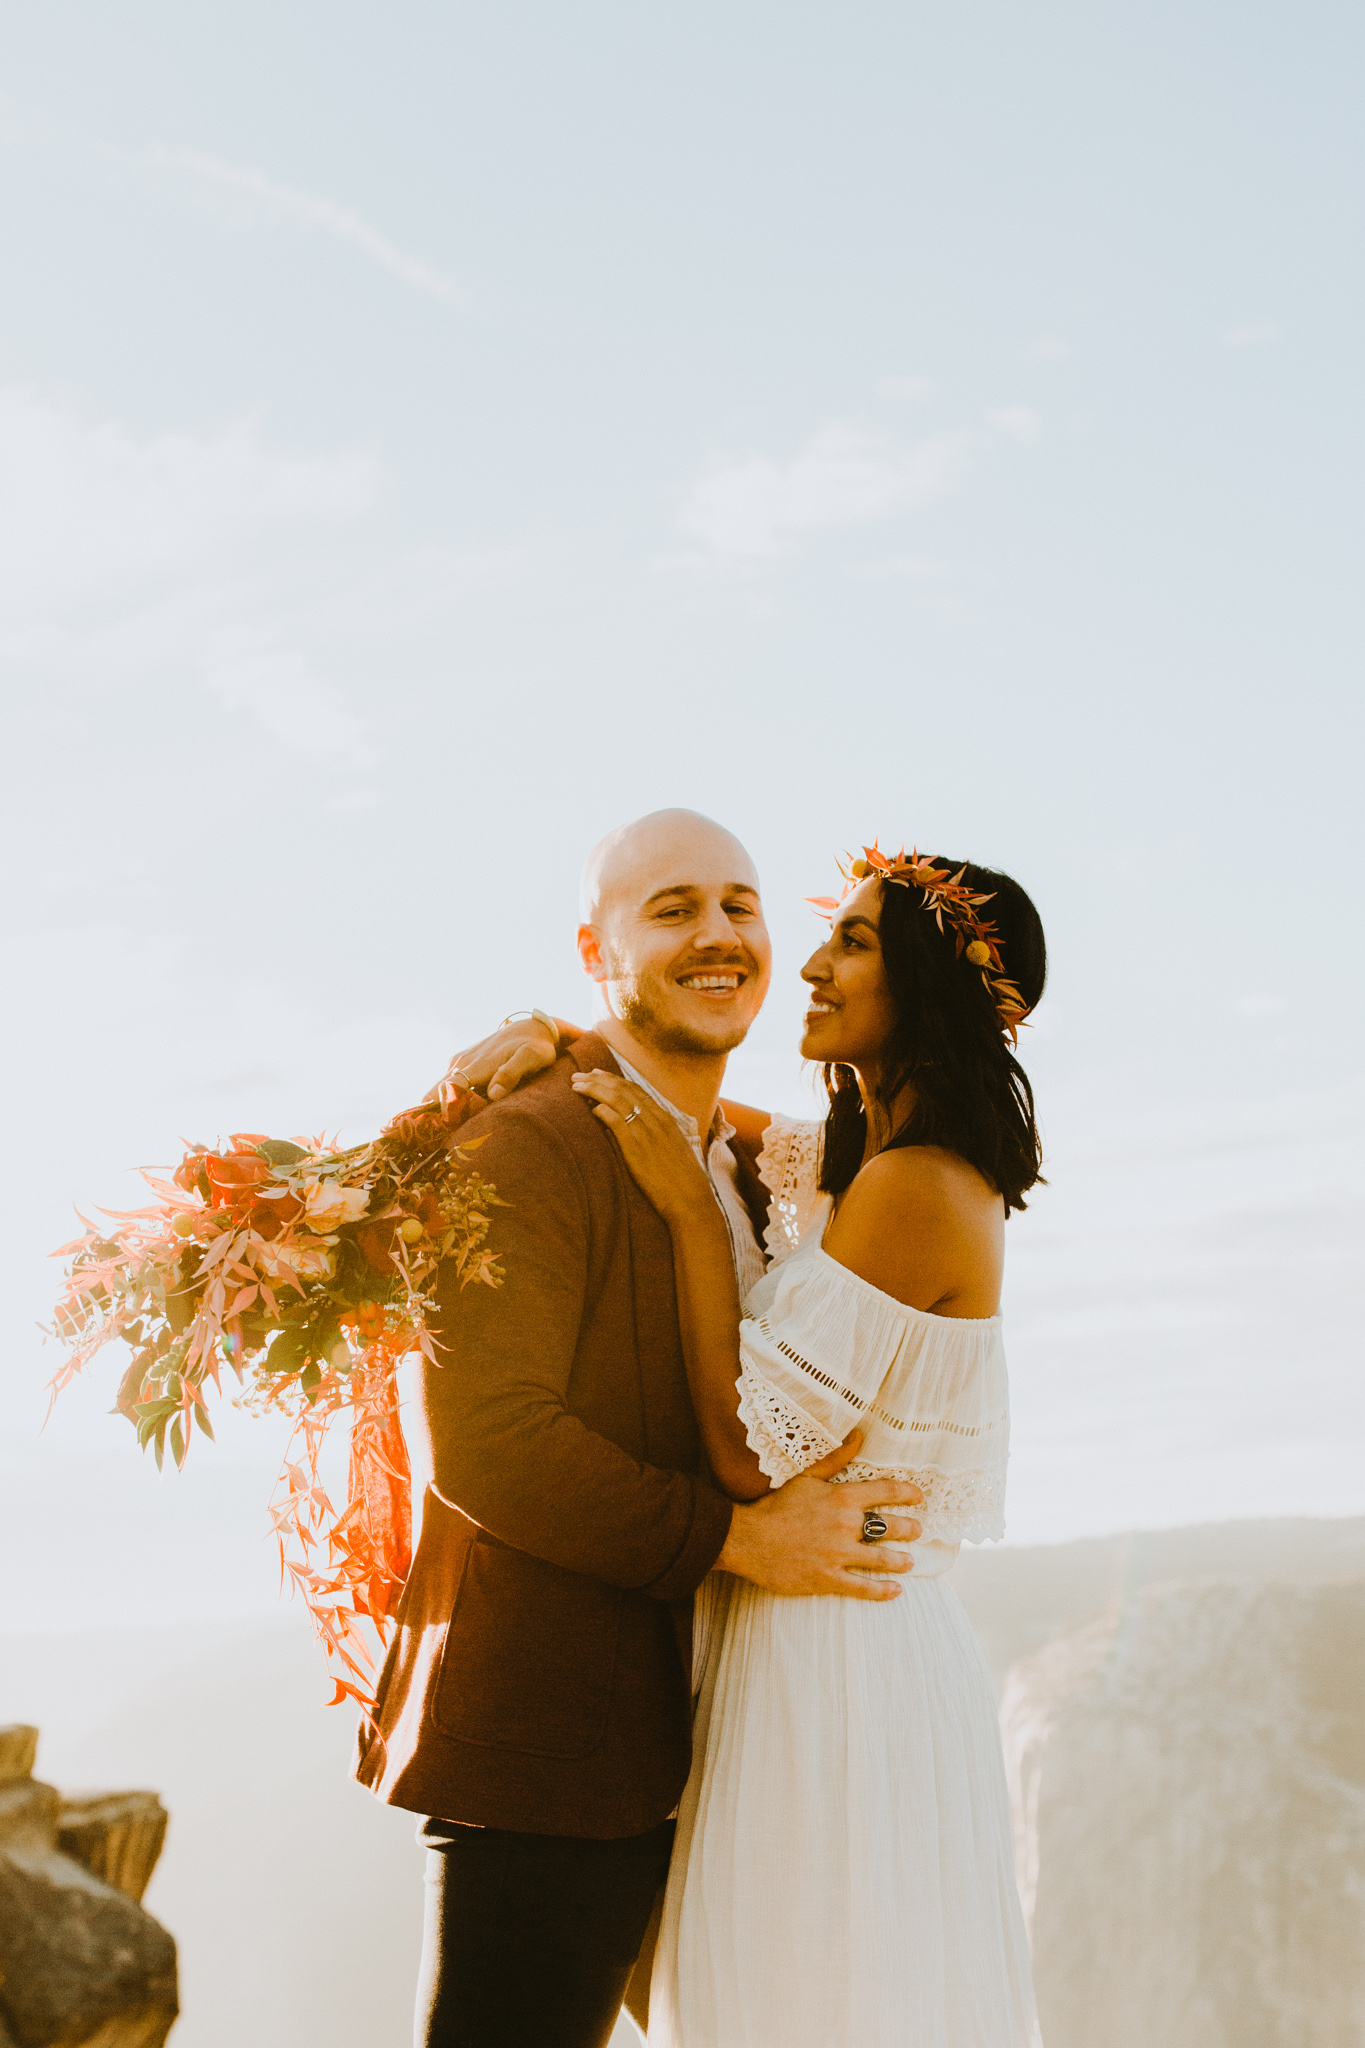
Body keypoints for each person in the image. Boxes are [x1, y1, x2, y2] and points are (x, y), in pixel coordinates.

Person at [354, 810, 926, 2048]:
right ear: (593, 945)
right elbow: (491, 1444)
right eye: (672, 909)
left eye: (739, 903)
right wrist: (742, 1540)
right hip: (554, 1748)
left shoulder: (760, 1155)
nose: (719, 934)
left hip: (735, 1735)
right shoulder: (522, 1140)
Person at [468, 841, 1048, 2046]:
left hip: (842, 1655)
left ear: (927, 986)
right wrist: (564, 1039)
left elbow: (747, 1450)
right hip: (785, 1629)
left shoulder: (925, 1186)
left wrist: (686, 1211)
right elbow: (666, 1098)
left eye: (853, 943)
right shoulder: (851, 1160)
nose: (813, 966)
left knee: (809, 1994)